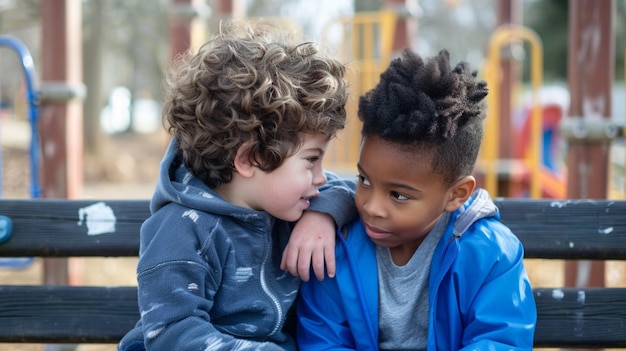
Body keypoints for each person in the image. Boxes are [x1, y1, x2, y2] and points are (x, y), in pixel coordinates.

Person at [118, 21, 356, 351]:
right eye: (311, 160)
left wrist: (322, 217)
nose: (320, 177)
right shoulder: (182, 231)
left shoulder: (286, 202)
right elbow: (171, 333)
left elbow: (353, 190)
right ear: (249, 159)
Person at [296, 49, 537, 350]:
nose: (371, 207)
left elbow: (501, 340)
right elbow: (323, 339)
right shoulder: (337, 248)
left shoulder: (490, 254)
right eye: (365, 180)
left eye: (398, 195)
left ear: (456, 194)